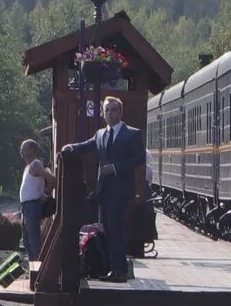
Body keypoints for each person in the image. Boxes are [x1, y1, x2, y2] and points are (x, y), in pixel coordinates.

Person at [63, 96, 148, 278]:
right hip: (104, 190)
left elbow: (140, 158)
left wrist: (116, 167)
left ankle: (120, 270)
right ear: (103, 113)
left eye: (114, 110)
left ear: (120, 112)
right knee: (108, 229)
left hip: (121, 189)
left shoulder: (132, 134)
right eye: (107, 110)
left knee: (116, 228)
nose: (110, 113)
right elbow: (88, 145)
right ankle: (112, 267)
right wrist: (70, 147)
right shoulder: (101, 133)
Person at [16, 140, 56, 263]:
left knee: (34, 240)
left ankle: (38, 269)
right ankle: (33, 267)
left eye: (24, 149)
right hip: (26, 207)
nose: (22, 152)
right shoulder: (28, 166)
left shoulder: (35, 165)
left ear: (32, 149)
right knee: (27, 241)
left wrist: (46, 194)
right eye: (21, 149)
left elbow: (51, 178)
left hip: (33, 205)